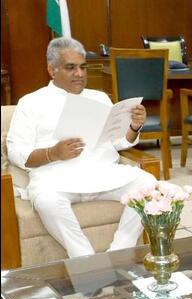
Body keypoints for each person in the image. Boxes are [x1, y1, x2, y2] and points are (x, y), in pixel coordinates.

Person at [6, 37, 157, 258]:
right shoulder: (31, 102)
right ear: (52, 70)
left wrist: (134, 126)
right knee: (47, 200)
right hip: (56, 178)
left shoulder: (100, 97)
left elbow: (117, 142)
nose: (79, 73)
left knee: (149, 185)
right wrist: (53, 153)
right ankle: (87, 262)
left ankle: (119, 254)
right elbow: (16, 152)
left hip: (103, 174)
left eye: (82, 67)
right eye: (71, 68)